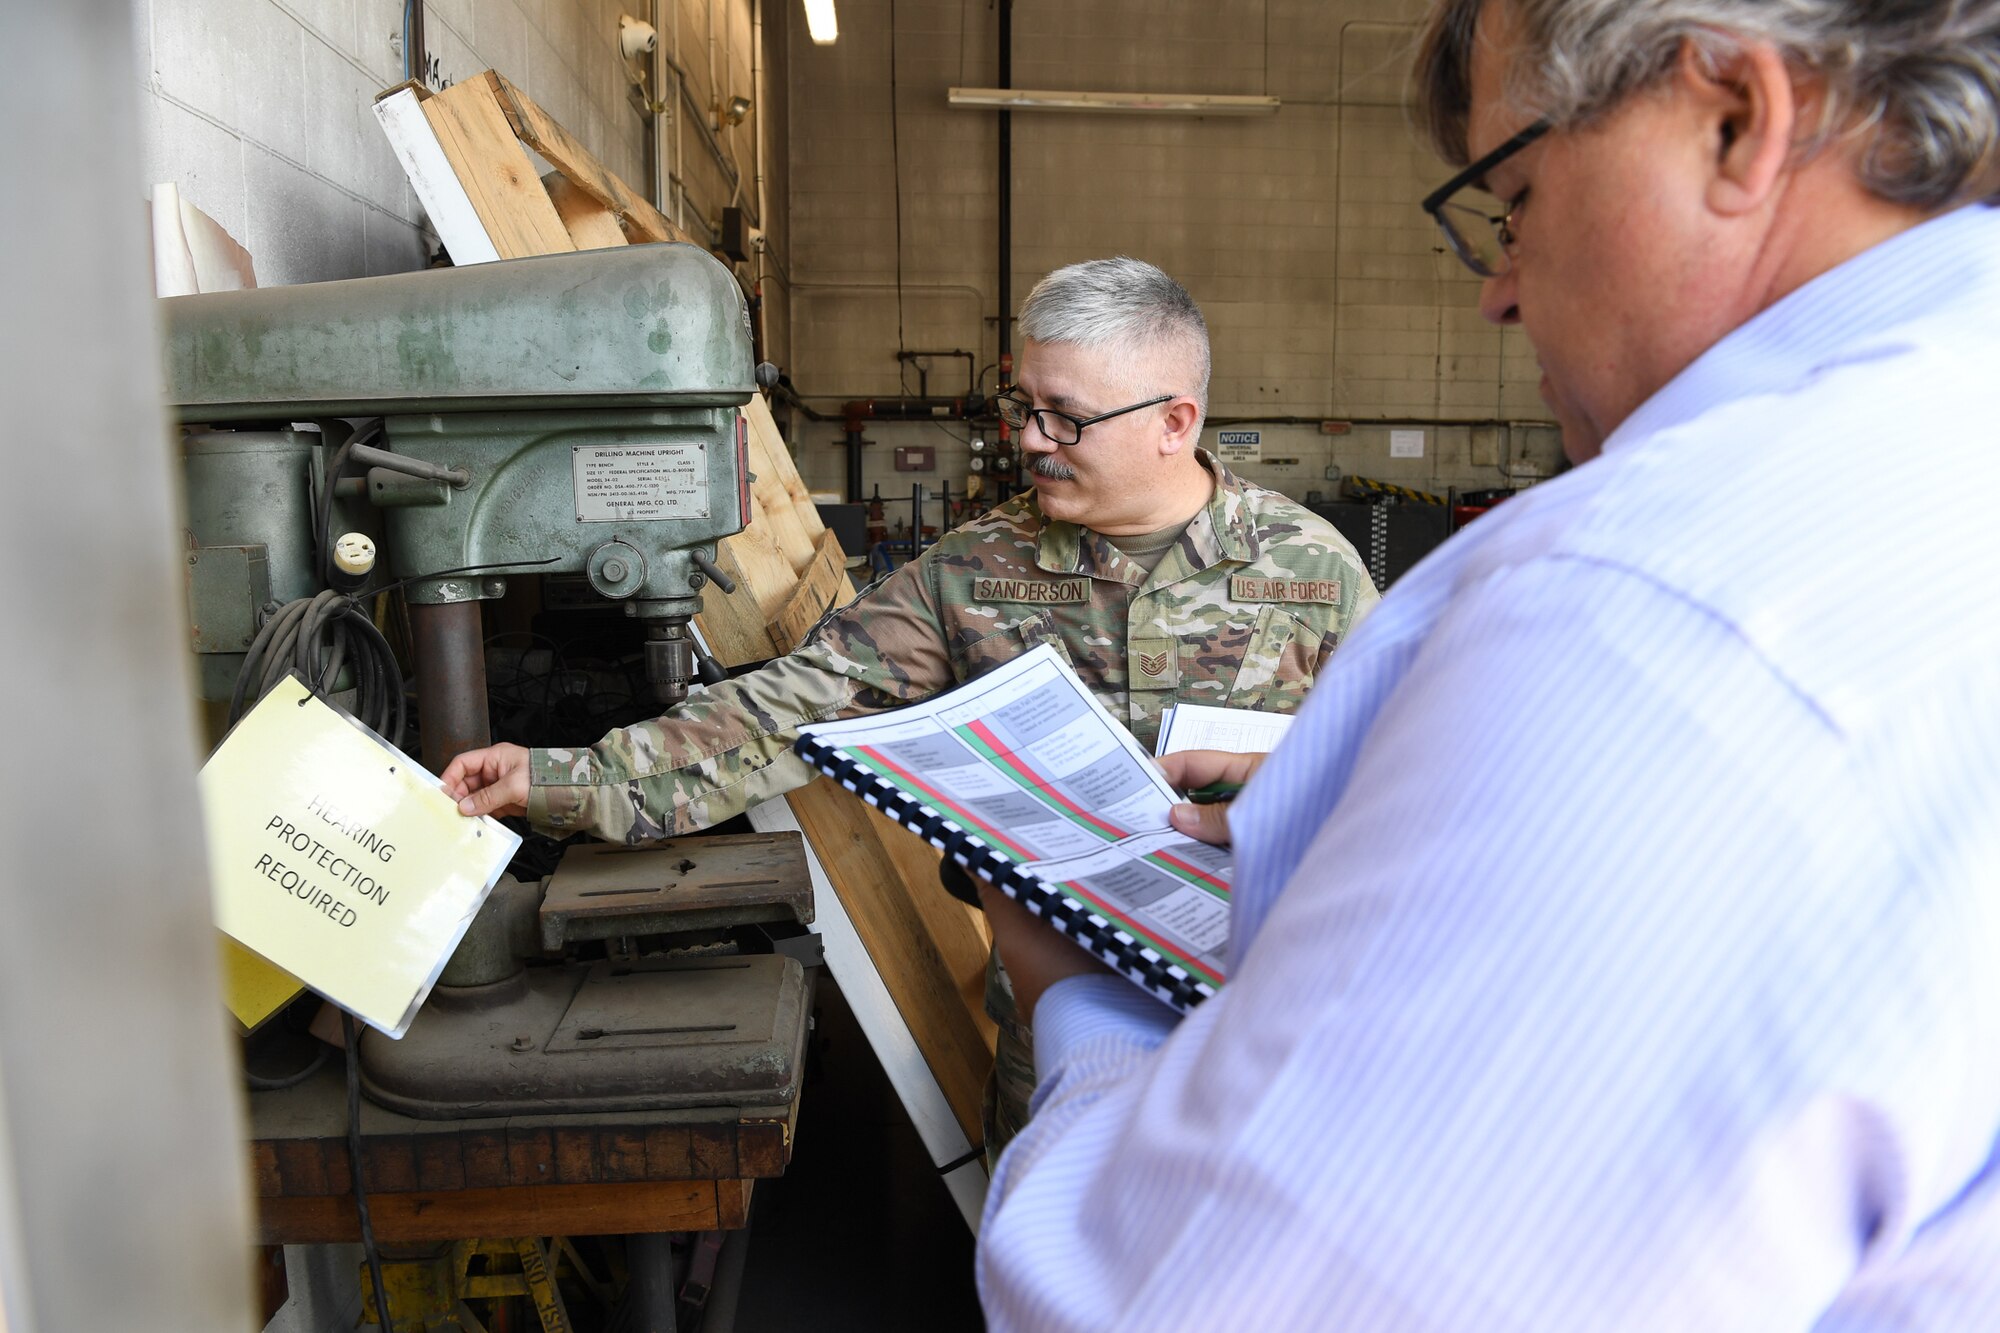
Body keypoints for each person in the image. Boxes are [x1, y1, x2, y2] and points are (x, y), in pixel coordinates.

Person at [974, 1, 2000, 1328]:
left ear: (1734, 117)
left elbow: (1210, 1296)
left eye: (1513, 198)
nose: (1498, 287)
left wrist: (1089, 1009)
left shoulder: (1652, 601)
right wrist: (1394, 785)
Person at [442, 256, 1378, 1161]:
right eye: (1023, 407)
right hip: (1053, 1028)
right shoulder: (977, 570)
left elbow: (1414, 789)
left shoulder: (1314, 572)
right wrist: (564, 776)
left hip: (1273, 1025)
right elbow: (790, 710)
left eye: (1066, 418)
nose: (1030, 440)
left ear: (1174, 420)